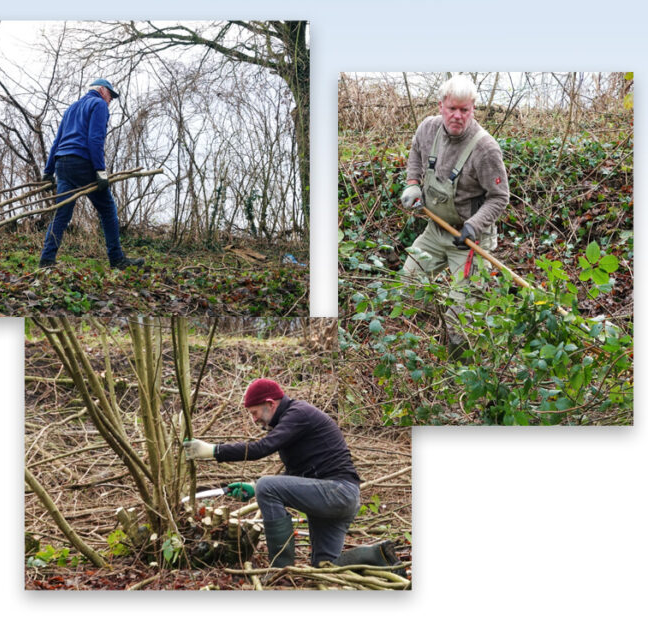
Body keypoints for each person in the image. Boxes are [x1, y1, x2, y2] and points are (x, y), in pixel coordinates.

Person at [183, 378, 400, 570]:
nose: (254, 419)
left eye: (255, 413)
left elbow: (261, 449)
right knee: (325, 568)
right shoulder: (292, 421)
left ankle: (281, 570)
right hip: (338, 497)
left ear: (270, 404)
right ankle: (379, 557)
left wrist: (213, 451)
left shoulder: (298, 413)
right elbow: (295, 476)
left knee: (268, 485)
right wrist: (253, 487)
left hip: (337, 492)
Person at [399, 74, 510, 357]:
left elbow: (500, 197)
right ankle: (431, 333)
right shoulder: (427, 129)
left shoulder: (486, 149)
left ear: (473, 109)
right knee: (408, 284)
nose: (458, 116)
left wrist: (474, 226)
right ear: (441, 106)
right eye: (452, 109)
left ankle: (460, 367)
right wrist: (413, 183)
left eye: (465, 110)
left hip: (468, 239)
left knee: (462, 317)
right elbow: (415, 152)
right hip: (435, 232)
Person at [38, 78, 143, 270]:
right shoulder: (99, 104)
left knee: (62, 213)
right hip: (83, 164)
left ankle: (46, 260)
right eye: (110, 95)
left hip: (63, 163)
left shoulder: (71, 108)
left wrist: (48, 170)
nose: (110, 99)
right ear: (102, 90)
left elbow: (57, 140)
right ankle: (117, 259)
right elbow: (95, 139)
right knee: (107, 209)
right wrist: (100, 171)